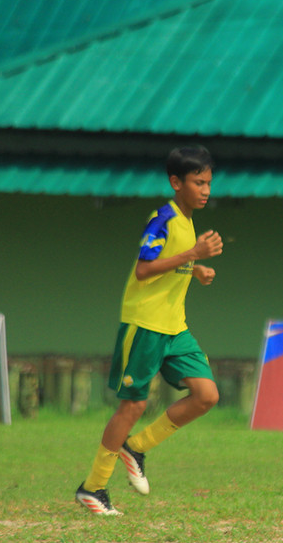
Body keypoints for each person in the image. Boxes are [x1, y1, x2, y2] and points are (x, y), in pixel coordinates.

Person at [74, 145, 224, 516]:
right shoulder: (164, 218)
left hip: (175, 328)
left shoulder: (188, 223)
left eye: (208, 182)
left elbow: (171, 264)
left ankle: (136, 447)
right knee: (133, 405)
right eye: (198, 182)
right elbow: (144, 269)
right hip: (145, 325)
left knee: (206, 395)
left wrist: (195, 271)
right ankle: (92, 488)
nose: (205, 190)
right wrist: (193, 257)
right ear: (176, 182)